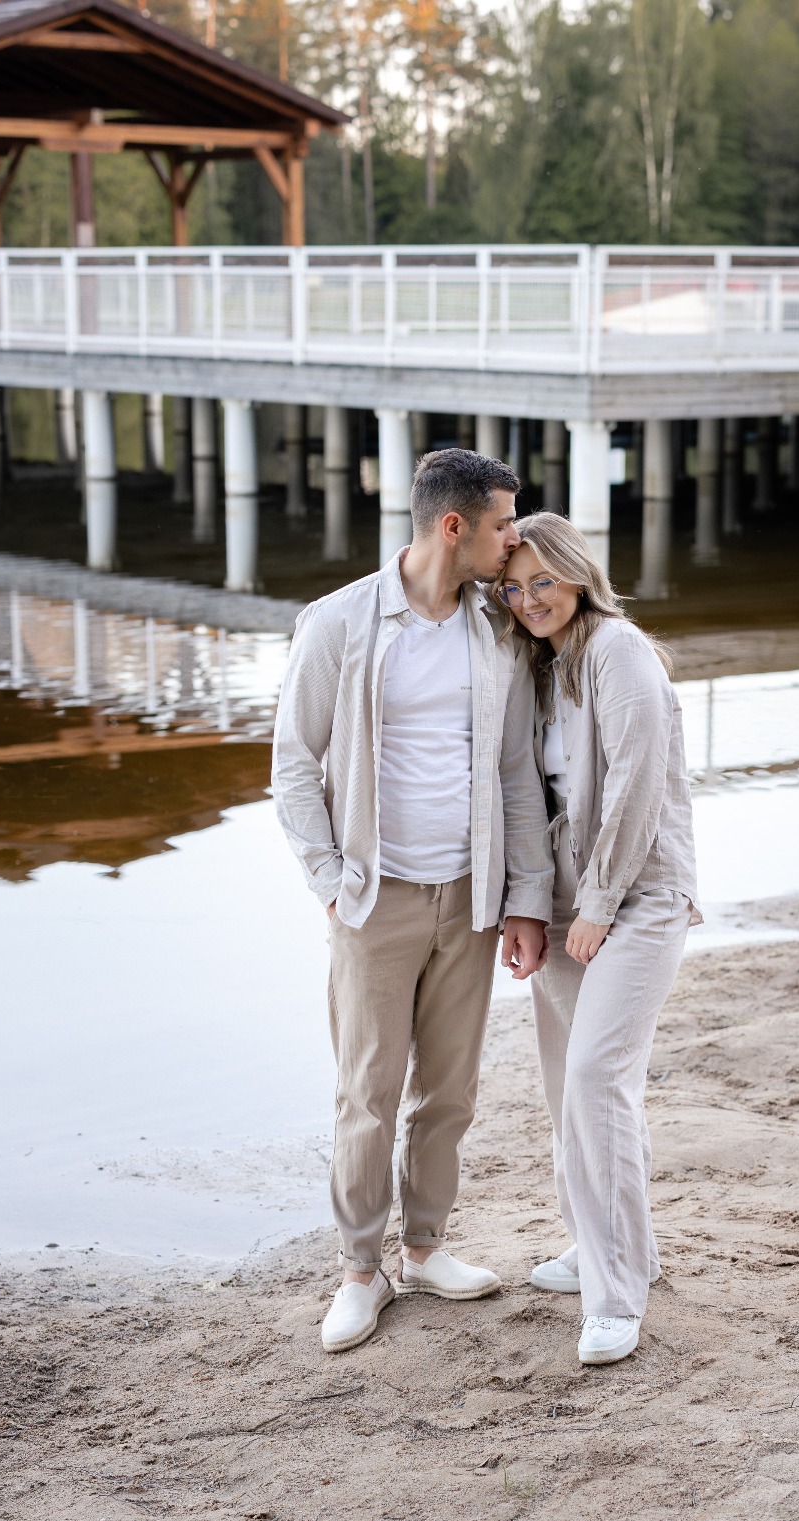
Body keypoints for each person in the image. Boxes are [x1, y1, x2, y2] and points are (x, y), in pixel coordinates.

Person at [272, 448, 553, 1354]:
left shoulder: (495, 628)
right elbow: (292, 765)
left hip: (470, 897)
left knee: (451, 1092)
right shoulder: (339, 623)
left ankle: (425, 1249)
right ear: (453, 526)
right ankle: (361, 1272)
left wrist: (525, 898)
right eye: (503, 524)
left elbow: (515, 772)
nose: (513, 540)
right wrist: (329, 883)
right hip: (374, 898)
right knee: (368, 1093)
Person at [495, 511, 699, 1367]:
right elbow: (528, 797)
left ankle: (616, 1297)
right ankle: (607, 1246)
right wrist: (529, 906)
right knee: (568, 1090)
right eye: (513, 587)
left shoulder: (617, 649)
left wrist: (602, 901)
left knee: (595, 1079)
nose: (529, 599)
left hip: (636, 898)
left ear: (578, 575)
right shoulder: (541, 668)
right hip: (564, 904)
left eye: (544, 580)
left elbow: (638, 784)